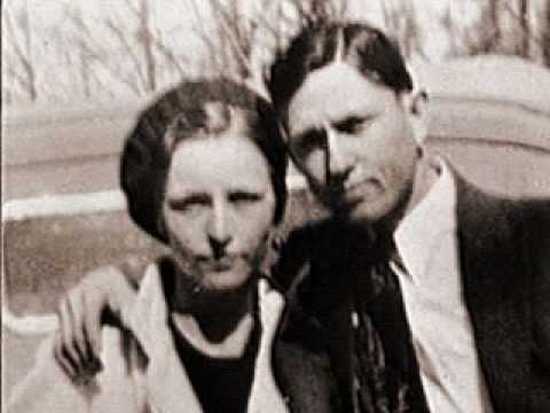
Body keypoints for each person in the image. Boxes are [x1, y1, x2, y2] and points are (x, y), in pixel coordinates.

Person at [53, 21, 550, 413]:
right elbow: (228, 248)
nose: (337, 162)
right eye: (311, 142)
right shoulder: (315, 270)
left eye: (354, 126)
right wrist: (117, 283)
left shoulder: (533, 246)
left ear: (417, 114)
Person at [7, 78, 341, 413]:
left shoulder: (317, 335)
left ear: (277, 205)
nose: (219, 231)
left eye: (243, 199)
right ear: (157, 215)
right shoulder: (98, 352)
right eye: (191, 204)